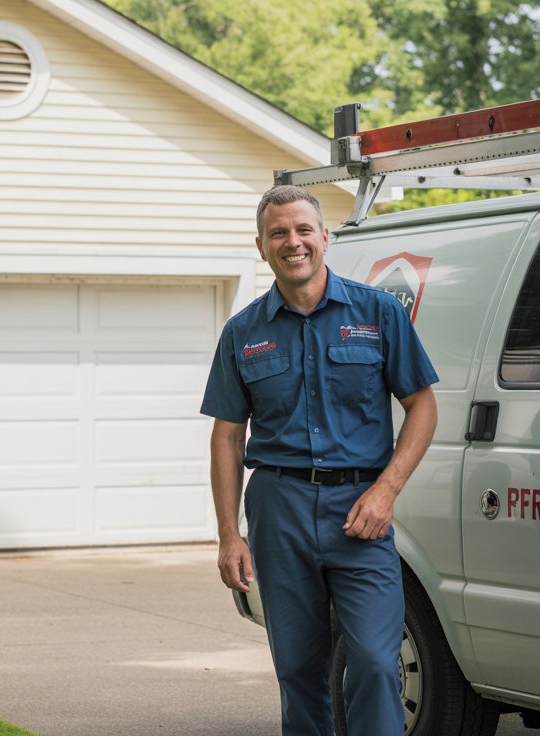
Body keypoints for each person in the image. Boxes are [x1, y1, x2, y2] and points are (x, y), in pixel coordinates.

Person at [201, 185, 439, 735]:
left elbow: (422, 406)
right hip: (278, 508)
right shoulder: (243, 333)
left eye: (304, 229)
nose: (293, 242)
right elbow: (228, 437)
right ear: (261, 247)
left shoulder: (378, 312)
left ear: (325, 237)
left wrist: (386, 492)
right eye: (278, 232)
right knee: (299, 670)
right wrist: (227, 535)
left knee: (379, 664)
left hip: (361, 511)